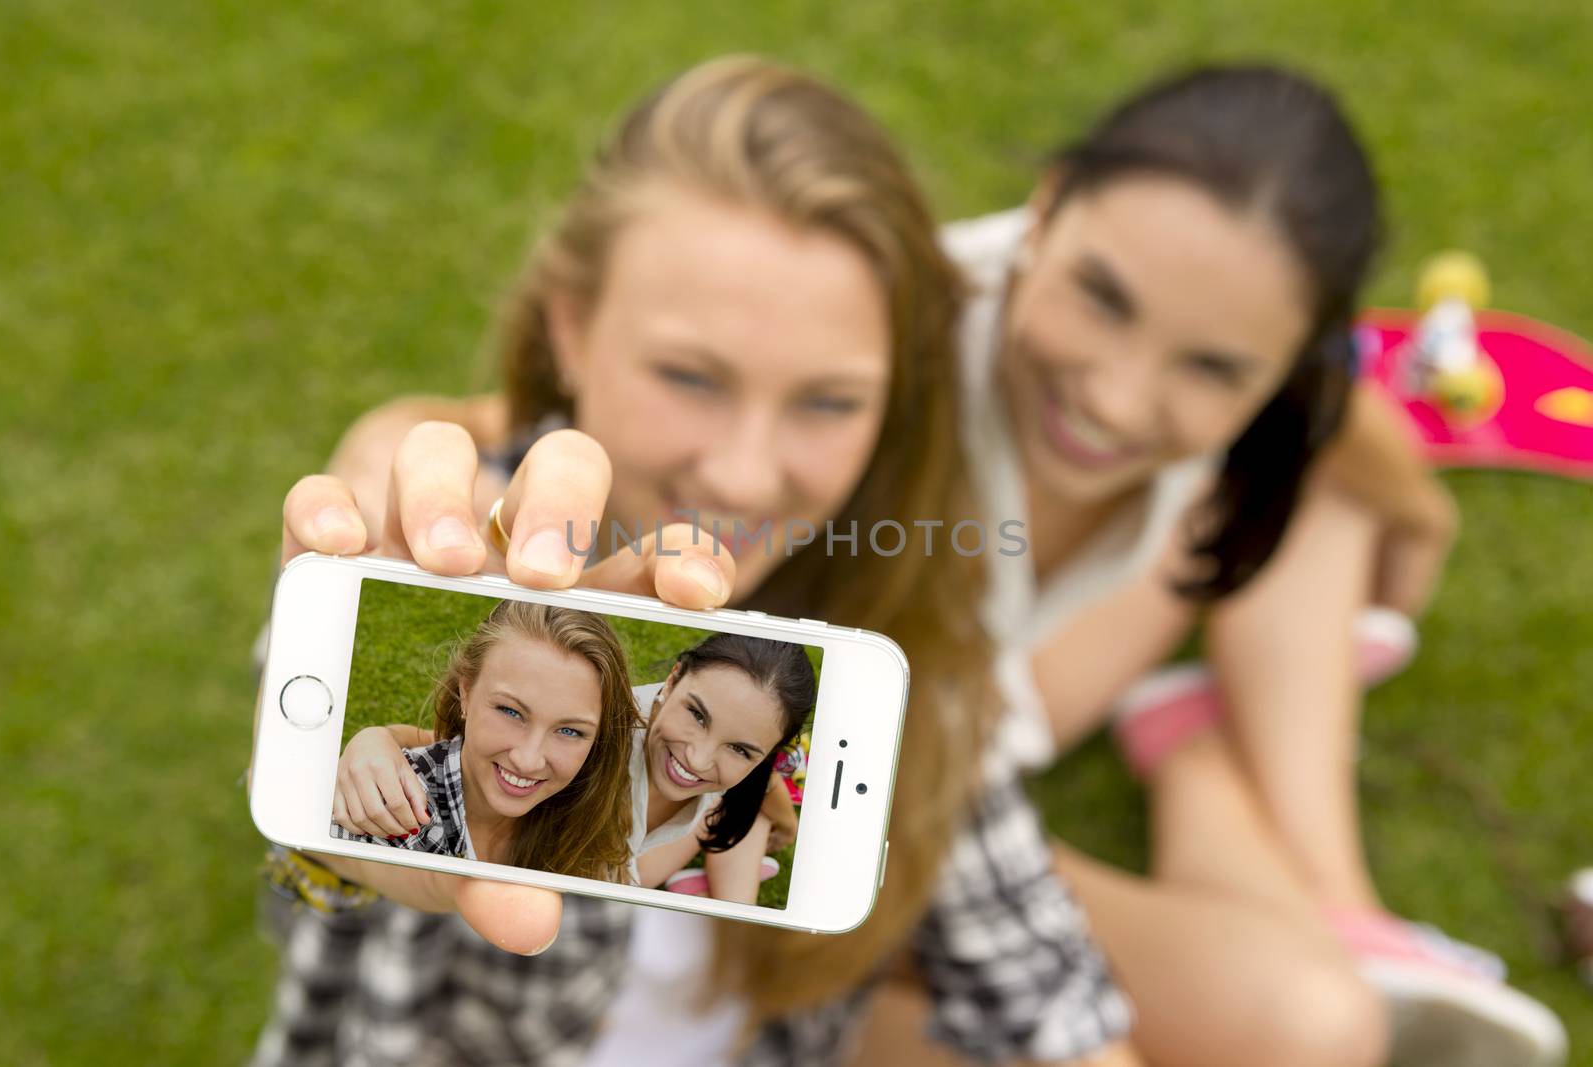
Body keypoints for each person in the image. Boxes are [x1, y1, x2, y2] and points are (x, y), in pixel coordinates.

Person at [253, 56, 1137, 1067]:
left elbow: (1037, 978)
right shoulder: (441, 541)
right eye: (688, 374)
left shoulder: (885, 619)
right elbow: (329, 887)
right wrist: (341, 832)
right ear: (572, 325)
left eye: (828, 399)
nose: (747, 475)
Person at [862, 64, 1564, 1067]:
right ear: (1046, 203)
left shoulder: (1248, 373)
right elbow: (869, 806)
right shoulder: (870, 375)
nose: (1114, 394)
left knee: (1319, 1028)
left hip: (976, 737)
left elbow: (1339, 417)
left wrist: (1419, 517)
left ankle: (1275, 833)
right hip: (854, 833)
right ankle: (1241, 804)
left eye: (1212, 364)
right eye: (1102, 297)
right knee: (1304, 1033)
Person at [333, 631, 816, 903]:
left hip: (683, 822)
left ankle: (728, 890)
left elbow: (761, 777)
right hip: (617, 874)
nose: (697, 757)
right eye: (696, 714)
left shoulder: (736, 766)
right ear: (673, 679)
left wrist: (785, 821)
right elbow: (458, 751)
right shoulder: (593, 730)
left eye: (742, 749)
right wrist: (375, 740)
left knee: (736, 852)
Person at [328, 600, 638, 885]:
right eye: (510, 711)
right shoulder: (382, 810)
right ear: (466, 692)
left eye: (569, 731)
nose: (528, 760)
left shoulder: (590, 813)